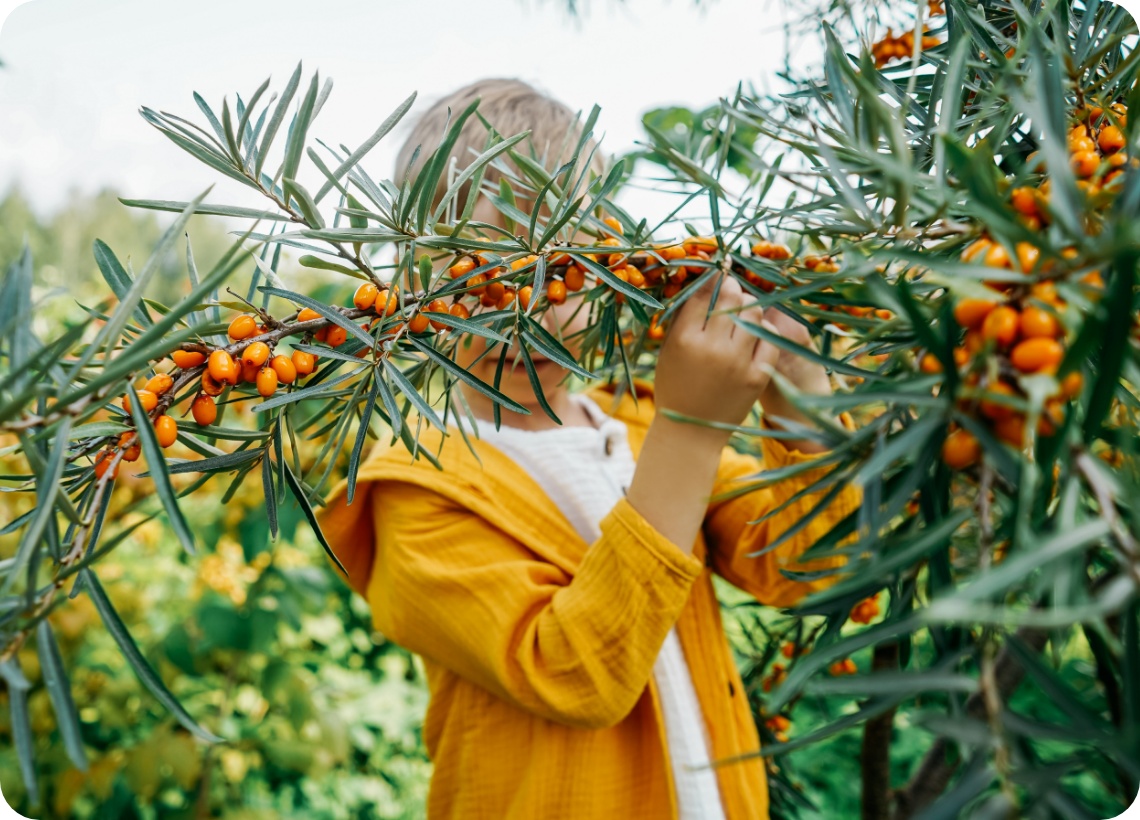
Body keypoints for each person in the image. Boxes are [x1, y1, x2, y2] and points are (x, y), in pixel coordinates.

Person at [319, 78, 861, 820]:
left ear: (607, 261)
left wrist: (801, 390)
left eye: (560, 270)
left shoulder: (635, 429)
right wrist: (694, 430)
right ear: (415, 284)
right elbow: (575, 672)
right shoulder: (414, 494)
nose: (530, 316)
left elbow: (812, 569)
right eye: (485, 278)